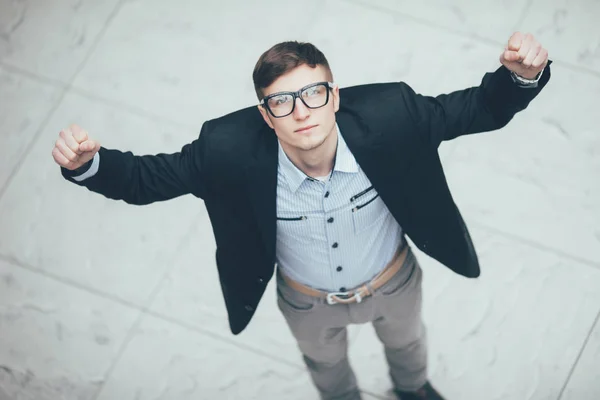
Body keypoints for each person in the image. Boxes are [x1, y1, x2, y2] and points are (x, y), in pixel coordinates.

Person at [52, 31, 551, 400]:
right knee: (326, 368)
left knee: (408, 346)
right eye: (281, 103)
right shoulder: (225, 150)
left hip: (393, 280)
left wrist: (520, 76)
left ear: (334, 97)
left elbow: (480, 108)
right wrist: (88, 165)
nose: (301, 111)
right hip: (307, 301)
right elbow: (144, 179)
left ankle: (413, 390)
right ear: (265, 116)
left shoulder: (393, 114)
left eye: (314, 94)